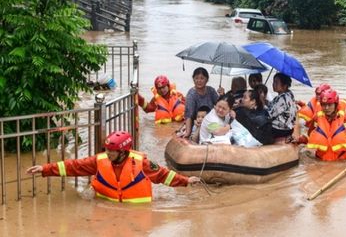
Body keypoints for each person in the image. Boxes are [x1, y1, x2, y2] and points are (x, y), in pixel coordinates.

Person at [26, 131, 201, 203]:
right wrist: (45, 169)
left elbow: (164, 176)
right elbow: (74, 166)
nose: (108, 154)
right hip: (104, 203)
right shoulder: (99, 160)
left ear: (123, 152)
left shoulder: (142, 163)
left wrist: (186, 181)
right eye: (107, 150)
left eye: (112, 151)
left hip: (137, 212)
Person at [295, 89, 346, 161]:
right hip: (320, 160)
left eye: (329, 105)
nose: (326, 108)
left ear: (336, 104)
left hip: (341, 161)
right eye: (324, 105)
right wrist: (299, 140)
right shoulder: (316, 118)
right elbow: (310, 136)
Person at [183, 67, 219, 138]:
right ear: (193, 79)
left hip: (211, 122)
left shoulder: (211, 91)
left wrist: (222, 95)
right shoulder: (191, 94)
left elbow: (219, 106)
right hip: (198, 123)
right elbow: (189, 115)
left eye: (202, 78)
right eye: (196, 78)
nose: (199, 81)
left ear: (207, 80)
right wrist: (188, 132)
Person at [267, 73, 297, 139]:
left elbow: (269, 115)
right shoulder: (289, 94)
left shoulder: (282, 98)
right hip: (288, 128)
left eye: (276, 82)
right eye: (273, 82)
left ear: (284, 86)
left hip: (280, 130)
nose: (273, 84)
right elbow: (274, 106)